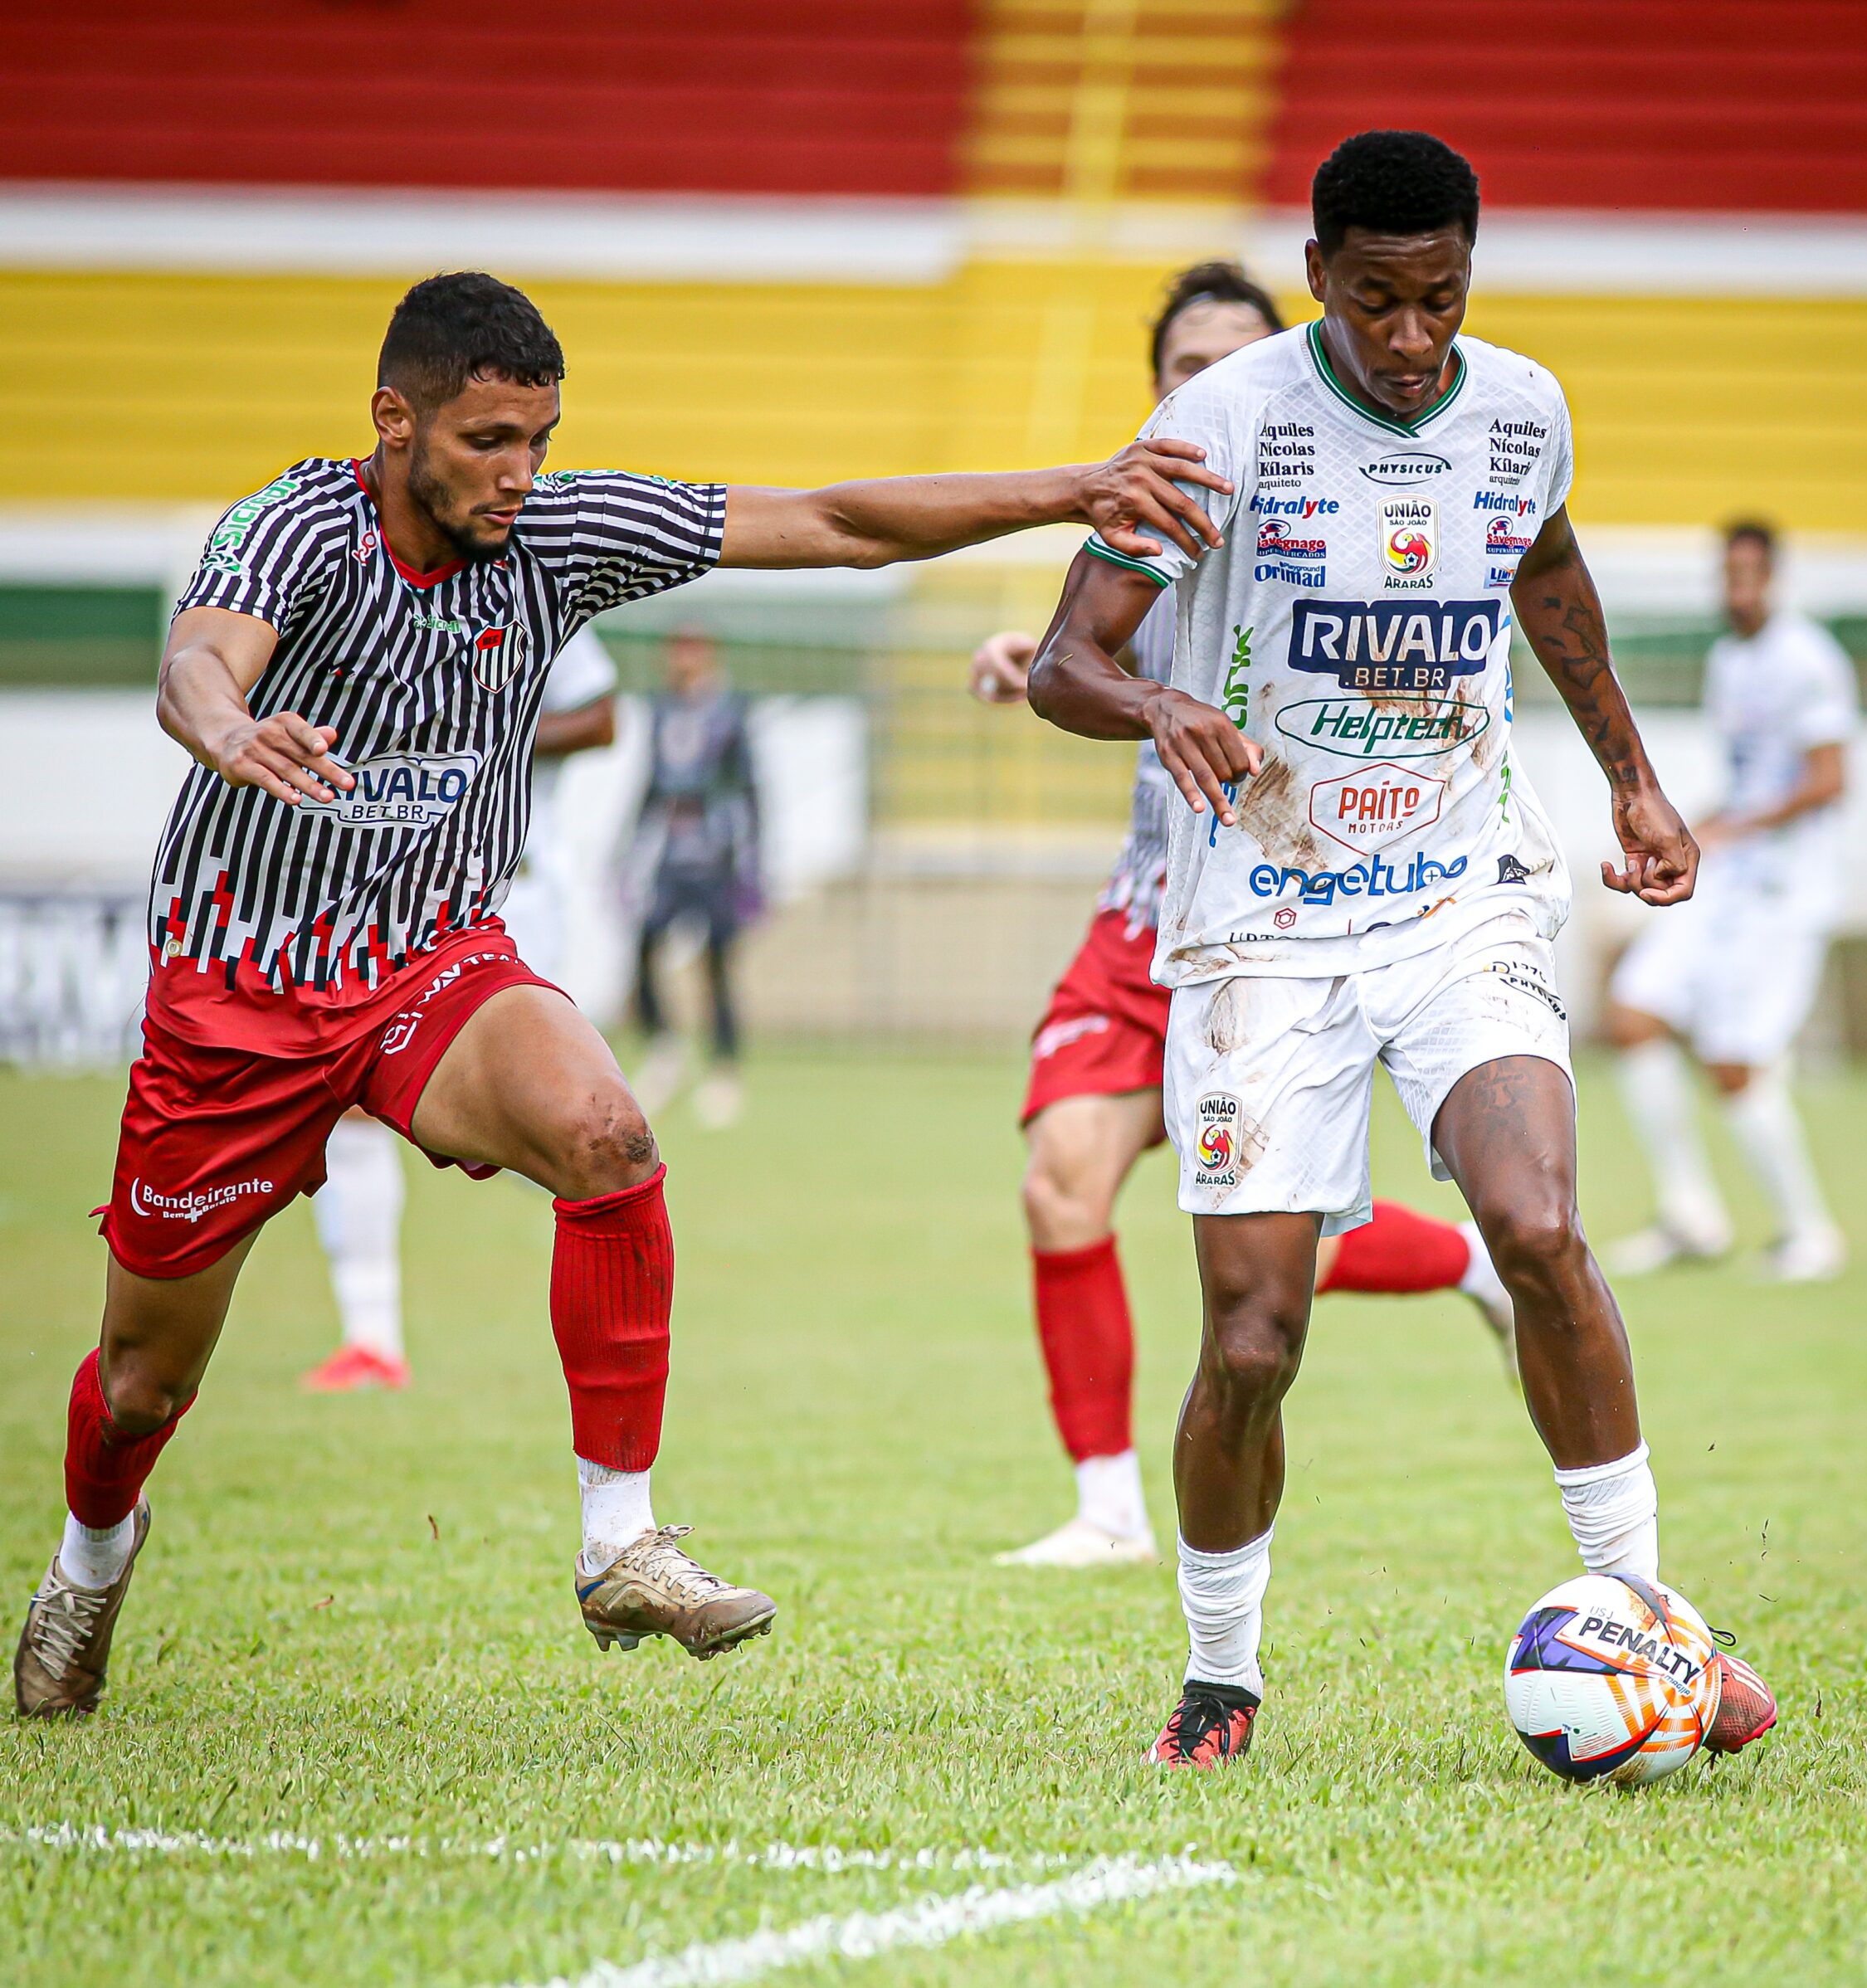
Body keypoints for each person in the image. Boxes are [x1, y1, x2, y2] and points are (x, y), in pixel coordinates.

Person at [14, 268, 1231, 1719]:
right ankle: (94, 1551)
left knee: (609, 1133)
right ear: (393, 421)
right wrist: (226, 731)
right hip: (242, 992)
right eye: (485, 441)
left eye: (537, 436)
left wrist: (1073, 489)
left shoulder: (561, 530)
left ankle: (619, 1541)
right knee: (143, 1385)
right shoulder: (294, 527)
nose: (517, 473)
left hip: (430, 961)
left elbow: (836, 522)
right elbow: (194, 667)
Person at [1024, 131, 1777, 1767]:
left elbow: (1549, 577)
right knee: (1250, 1338)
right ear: (1316, 278)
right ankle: (1219, 1674)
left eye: (1439, 297)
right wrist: (1159, 700)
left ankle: (1651, 1626)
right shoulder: (1215, 426)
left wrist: (1634, 784)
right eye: (1376, 300)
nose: (1413, 335)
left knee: (1536, 1220)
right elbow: (1062, 664)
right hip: (1258, 925)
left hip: (1459, 890)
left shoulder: (1520, 408)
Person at [972, 261, 1515, 1571]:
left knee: (1272, 1252)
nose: (1203, 389)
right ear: (1157, 387)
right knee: (1062, 1186)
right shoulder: (1142, 512)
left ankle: (1471, 1263)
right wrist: (1023, 658)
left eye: (1229, 365)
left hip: (1281, 925)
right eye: (1180, 369)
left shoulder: (1334, 512)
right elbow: (1086, 653)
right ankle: (1106, 1506)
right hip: (1141, 920)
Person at [301, 626, 620, 1392]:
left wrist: (490, 736)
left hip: (508, 895)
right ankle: (371, 1337)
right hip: (381, 894)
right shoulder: (357, 589)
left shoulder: (530, 587)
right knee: (348, 1103)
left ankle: (624, 1205)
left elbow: (602, 718)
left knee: (560, 1122)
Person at [1606, 520, 1856, 1282]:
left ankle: (1810, 1234)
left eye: (1751, 572)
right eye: (1728, 571)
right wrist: (1692, 828)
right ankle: (1691, 1214)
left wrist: (1729, 829)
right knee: (1634, 1012)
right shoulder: (1728, 658)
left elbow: (1827, 780)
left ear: (1774, 577)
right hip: (1732, 879)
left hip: (1783, 894)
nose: (1737, 585)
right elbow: (1749, 783)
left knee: (1734, 1063)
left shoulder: (1807, 658)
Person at [629, 630, 760, 1130]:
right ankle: (665, 1049)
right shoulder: (661, 710)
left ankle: (725, 1071)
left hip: (715, 855)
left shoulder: (730, 711)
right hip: (670, 854)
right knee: (644, 947)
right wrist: (630, 851)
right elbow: (649, 784)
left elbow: (750, 788)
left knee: (717, 964)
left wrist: (753, 863)